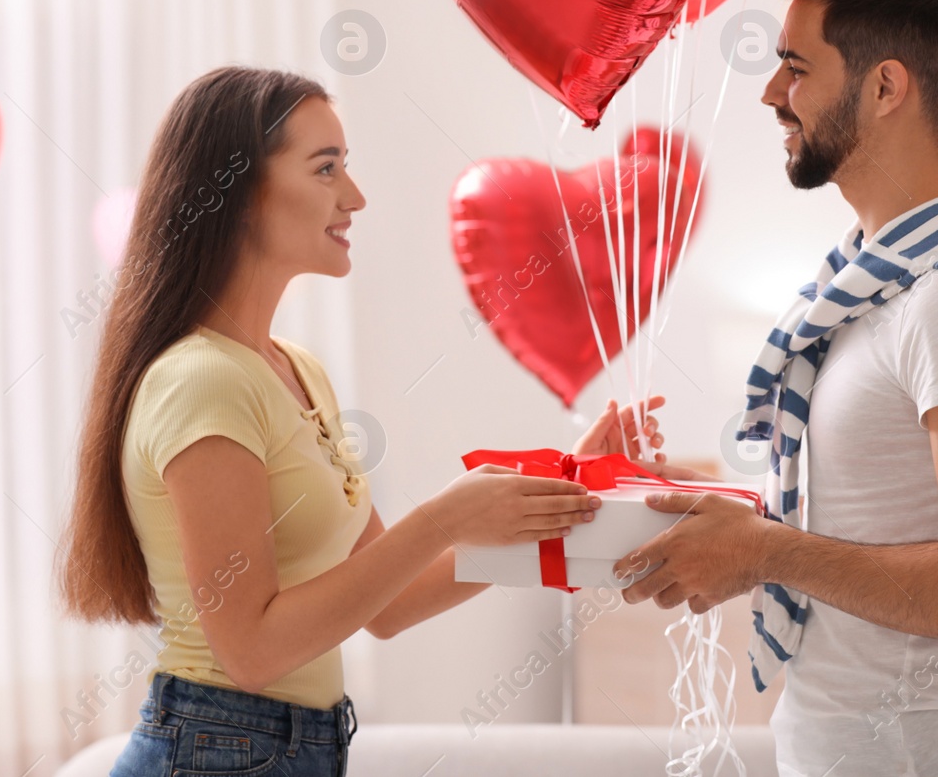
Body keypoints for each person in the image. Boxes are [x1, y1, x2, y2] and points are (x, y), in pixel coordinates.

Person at [57, 66, 665, 777]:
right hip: (217, 748)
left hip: (288, 748)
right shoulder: (203, 380)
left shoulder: (294, 369)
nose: (355, 196)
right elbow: (250, 652)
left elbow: (390, 601)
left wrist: (561, 492)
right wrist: (443, 518)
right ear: (238, 190)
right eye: (326, 168)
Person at [614, 0, 938, 776]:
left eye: (796, 67)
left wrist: (764, 551)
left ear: (884, 87)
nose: (770, 93)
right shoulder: (870, 287)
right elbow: (868, 515)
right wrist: (709, 514)